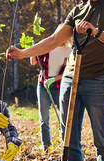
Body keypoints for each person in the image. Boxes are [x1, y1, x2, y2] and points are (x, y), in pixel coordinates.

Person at [7, 0, 104, 161]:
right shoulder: (77, 11)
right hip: (69, 80)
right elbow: (53, 40)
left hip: (97, 80)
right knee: (69, 139)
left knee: (102, 139)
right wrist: (22, 53)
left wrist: (96, 32)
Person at [30, 24, 72, 152]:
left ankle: (65, 143)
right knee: (44, 117)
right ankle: (46, 146)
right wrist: (34, 50)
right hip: (43, 84)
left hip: (59, 85)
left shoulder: (69, 51)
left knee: (63, 115)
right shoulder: (48, 47)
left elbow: (68, 71)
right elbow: (33, 62)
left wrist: (53, 79)